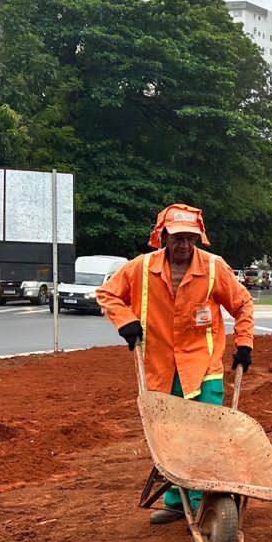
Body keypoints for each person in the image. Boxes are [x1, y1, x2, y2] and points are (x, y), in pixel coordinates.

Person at [96, 203, 255, 524]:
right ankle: (174, 500)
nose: (183, 245)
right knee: (171, 439)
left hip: (203, 367)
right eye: (177, 238)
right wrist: (125, 321)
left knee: (204, 436)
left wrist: (244, 345)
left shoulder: (213, 268)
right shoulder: (140, 269)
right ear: (163, 236)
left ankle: (201, 503)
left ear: (198, 238)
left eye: (190, 239)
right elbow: (107, 294)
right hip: (160, 368)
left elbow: (242, 303)